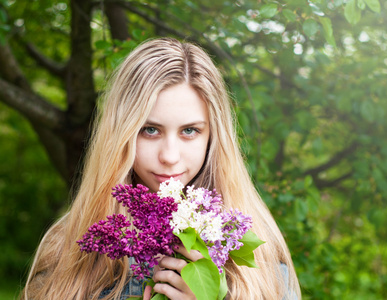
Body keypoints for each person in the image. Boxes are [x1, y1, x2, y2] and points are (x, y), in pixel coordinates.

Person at [21, 38, 301, 299]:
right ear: (122, 133)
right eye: (150, 130)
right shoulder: (68, 253)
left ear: (213, 136)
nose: (169, 156)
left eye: (189, 130)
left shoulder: (259, 267)